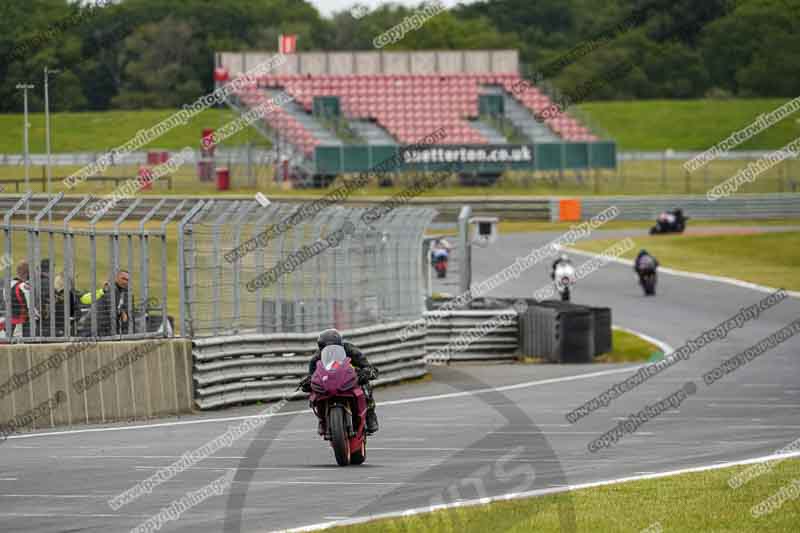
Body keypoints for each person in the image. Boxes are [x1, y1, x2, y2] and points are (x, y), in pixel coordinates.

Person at [302, 328, 379, 435]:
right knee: (314, 392)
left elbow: (367, 366)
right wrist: (307, 382)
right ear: (321, 348)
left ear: (341, 345)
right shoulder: (316, 358)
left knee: (365, 385)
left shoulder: (350, 350)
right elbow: (312, 376)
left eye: (335, 347)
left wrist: (366, 372)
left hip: (349, 379)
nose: (331, 350)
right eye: (327, 348)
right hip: (328, 383)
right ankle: (322, 420)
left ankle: (370, 415)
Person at [79, 270, 133, 336]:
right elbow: (111, 311)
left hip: (103, 328)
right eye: (123, 279)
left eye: (127, 280)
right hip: (97, 328)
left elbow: (119, 309)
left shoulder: (122, 291)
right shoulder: (111, 289)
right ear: (116, 278)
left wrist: (122, 311)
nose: (125, 282)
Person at [0, 261, 37, 338]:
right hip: (20, 324)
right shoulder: (24, 286)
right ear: (27, 274)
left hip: (8, 321)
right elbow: (30, 306)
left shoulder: (7, 284)